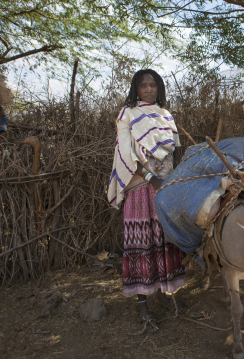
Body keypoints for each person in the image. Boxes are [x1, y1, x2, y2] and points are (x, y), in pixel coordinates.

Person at [107, 69, 186, 330]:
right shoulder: (127, 114)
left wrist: (168, 182)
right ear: (136, 89)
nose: (149, 90)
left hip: (165, 187)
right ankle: (143, 308)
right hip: (140, 186)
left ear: (159, 88)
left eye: (153, 85)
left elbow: (172, 153)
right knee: (141, 242)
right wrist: (151, 178)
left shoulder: (166, 115)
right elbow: (125, 155)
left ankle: (165, 294)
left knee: (165, 239)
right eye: (144, 86)